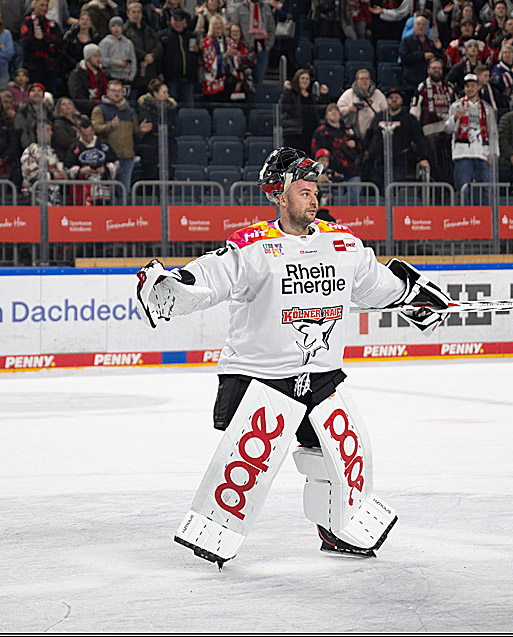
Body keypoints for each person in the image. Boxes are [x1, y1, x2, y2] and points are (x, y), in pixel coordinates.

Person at [141, 146, 453, 567]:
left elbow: (377, 284)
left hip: (322, 376)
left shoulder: (343, 245)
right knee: (250, 462)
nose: (314, 198)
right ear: (280, 196)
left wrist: (414, 296)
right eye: (304, 191)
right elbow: (211, 277)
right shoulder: (253, 245)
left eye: (315, 191)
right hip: (261, 376)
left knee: (342, 455)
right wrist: (173, 285)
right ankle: (215, 527)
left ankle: (338, 528)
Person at [91, 79, 151, 198]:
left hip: (127, 156)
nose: (117, 93)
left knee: (124, 191)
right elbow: (95, 129)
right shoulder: (99, 109)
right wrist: (110, 126)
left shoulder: (130, 111)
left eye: (119, 91)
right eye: (113, 91)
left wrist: (141, 130)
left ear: (123, 92)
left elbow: (135, 133)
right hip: (108, 158)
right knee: (108, 192)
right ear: (107, 92)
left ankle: (123, 216)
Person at [446, 73, 499, 195]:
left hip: (483, 154)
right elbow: (447, 129)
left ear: (478, 87)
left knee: (485, 189)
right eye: (467, 86)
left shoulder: (487, 108)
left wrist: (493, 153)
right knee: (463, 189)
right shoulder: (456, 106)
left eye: (473, 86)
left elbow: (493, 133)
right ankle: (464, 214)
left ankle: (485, 214)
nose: (470, 89)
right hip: (462, 153)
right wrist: (454, 118)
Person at [363, 87, 429, 185]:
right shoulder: (379, 117)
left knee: (392, 189)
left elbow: (419, 139)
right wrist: (366, 151)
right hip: (378, 162)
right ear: (387, 101)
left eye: (397, 97)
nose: (394, 99)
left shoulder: (409, 119)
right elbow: (369, 135)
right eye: (391, 97)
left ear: (401, 100)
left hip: (398, 162)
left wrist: (423, 157)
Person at [310, 103, 363, 204]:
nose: (334, 112)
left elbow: (360, 148)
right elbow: (315, 153)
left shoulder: (348, 129)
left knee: (355, 194)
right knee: (337, 200)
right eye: (330, 111)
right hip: (332, 172)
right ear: (326, 115)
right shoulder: (321, 131)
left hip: (351, 170)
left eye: (336, 110)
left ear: (340, 114)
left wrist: (355, 144)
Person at [65, 115, 118, 205]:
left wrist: (105, 170)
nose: (88, 138)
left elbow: (115, 162)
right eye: (85, 135)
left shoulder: (103, 145)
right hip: (82, 192)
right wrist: (81, 171)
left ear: (93, 131)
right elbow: (67, 168)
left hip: (103, 192)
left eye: (89, 134)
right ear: (80, 133)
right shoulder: (74, 147)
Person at [135, 78, 180, 179]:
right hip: (150, 149)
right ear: (155, 93)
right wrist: (168, 127)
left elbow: (178, 129)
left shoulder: (171, 109)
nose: (167, 95)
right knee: (151, 178)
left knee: (169, 177)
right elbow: (150, 125)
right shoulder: (145, 107)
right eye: (164, 92)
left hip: (169, 148)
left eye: (167, 92)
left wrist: (163, 130)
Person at [231, 0, 275, 85]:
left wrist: (269, 44)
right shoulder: (239, 8)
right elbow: (235, 26)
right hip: (246, 46)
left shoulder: (266, 7)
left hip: (263, 46)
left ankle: (258, 96)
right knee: (246, 78)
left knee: (259, 76)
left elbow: (272, 28)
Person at [20, 0, 64, 95]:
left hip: (50, 66)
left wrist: (43, 37)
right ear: (35, 5)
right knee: (34, 94)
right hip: (34, 66)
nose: (44, 8)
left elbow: (59, 41)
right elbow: (27, 41)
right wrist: (47, 44)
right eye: (41, 5)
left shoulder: (52, 23)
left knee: (51, 94)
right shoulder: (28, 22)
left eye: (46, 6)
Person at [280, 68, 330, 154]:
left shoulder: (313, 96)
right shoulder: (291, 94)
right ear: (297, 79)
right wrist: (286, 91)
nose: (305, 81)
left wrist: (324, 96)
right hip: (295, 133)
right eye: (302, 78)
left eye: (307, 79)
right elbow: (284, 107)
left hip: (311, 133)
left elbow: (321, 111)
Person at [20, 120, 67, 205]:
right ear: (38, 132)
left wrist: (65, 173)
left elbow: (58, 169)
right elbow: (32, 176)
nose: (51, 133)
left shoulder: (51, 151)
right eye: (48, 130)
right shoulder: (30, 151)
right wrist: (53, 175)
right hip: (35, 200)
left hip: (54, 199)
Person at [159, 9, 197, 106]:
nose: (178, 23)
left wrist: (198, 51)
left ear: (185, 21)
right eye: (176, 20)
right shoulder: (163, 35)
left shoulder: (191, 36)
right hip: (171, 78)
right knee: (171, 107)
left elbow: (195, 55)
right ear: (171, 20)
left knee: (188, 109)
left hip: (188, 79)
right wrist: (159, 72)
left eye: (181, 20)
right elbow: (158, 56)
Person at [337, 68, 387, 138]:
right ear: (357, 81)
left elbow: (386, 112)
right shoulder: (348, 93)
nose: (364, 81)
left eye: (367, 79)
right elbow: (338, 111)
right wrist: (348, 109)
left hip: (374, 134)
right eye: (361, 79)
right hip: (353, 134)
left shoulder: (378, 94)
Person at [68, 43, 109, 116]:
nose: (98, 59)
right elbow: (77, 97)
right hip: (85, 113)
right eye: (95, 56)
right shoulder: (76, 74)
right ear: (88, 57)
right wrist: (96, 106)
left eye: (99, 56)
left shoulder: (103, 73)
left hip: (103, 110)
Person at [100, 16, 137, 86]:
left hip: (126, 78)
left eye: (118, 26)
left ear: (122, 28)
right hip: (110, 77)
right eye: (113, 26)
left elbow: (133, 60)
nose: (116, 28)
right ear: (110, 28)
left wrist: (132, 75)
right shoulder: (105, 42)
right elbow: (101, 60)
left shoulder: (128, 43)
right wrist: (116, 63)